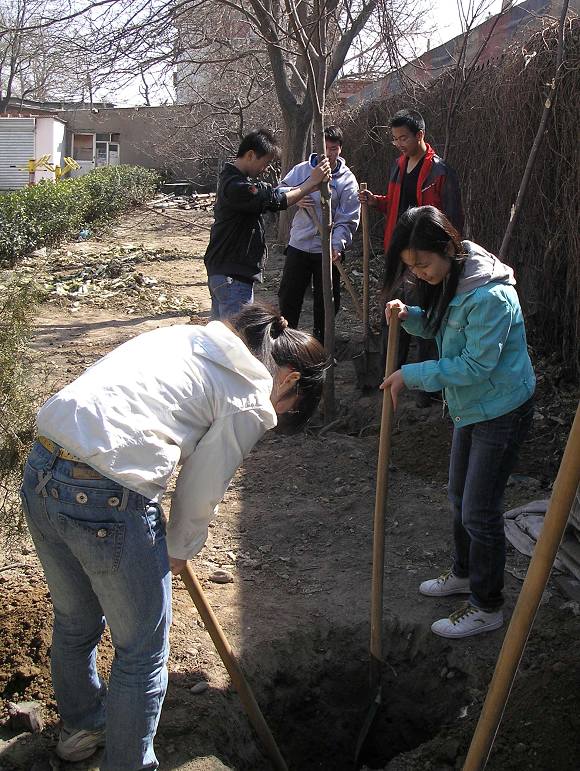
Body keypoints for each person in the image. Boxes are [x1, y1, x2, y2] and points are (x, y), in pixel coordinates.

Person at [20, 303, 327, 769]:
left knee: (76, 619)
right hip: (106, 494)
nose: (276, 415)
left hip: (42, 468)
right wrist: (180, 548)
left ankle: (82, 726)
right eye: (288, 408)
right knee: (142, 651)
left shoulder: (184, 338)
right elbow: (202, 488)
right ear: (289, 379)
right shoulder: (249, 392)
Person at [382, 206, 535, 639]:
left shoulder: (490, 297)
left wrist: (411, 375)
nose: (418, 273)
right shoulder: (452, 278)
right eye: (411, 267)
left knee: (480, 510)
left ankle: (487, 605)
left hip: (501, 409)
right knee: (458, 496)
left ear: (448, 248)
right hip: (471, 406)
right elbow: (442, 329)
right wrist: (410, 316)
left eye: (422, 263)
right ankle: (465, 574)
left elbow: (474, 365)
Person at [360, 109, 464, 406]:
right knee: (394, 315)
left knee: (425, 318)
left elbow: (452, 220)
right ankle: (389, 377)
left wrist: (446, 258)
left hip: (427, 259)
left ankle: (426, 389)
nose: (399, 144)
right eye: (395, 139)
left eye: (403, 138)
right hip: (400, 255)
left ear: (420, 135)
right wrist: (376, 202)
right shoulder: (398, 166)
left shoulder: (440, 172)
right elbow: (397, 204)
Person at [204, 129, 331, 320]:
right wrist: (310, 183)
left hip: (224, 274)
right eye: (266, 162)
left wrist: (309, 186)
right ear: (250, 155)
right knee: (237, 336)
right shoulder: (237, 187)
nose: (265, 168)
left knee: (219, 335)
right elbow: (275, 200)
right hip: (233, 277)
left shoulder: (232, 181)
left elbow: (271, 195)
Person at [277, 125, 360, 343]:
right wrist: (296, 195)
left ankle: (322, 345)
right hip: (299, 244)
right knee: (289, 296)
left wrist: (337, 244)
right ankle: (287, 342)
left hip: (327, 249)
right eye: (325, 149)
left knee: (327, 301)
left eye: (334, 149)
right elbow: (279, 191)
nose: (329, 154)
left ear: (340, 149)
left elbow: (348, 218)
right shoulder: (302, 170)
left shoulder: (347, 180)